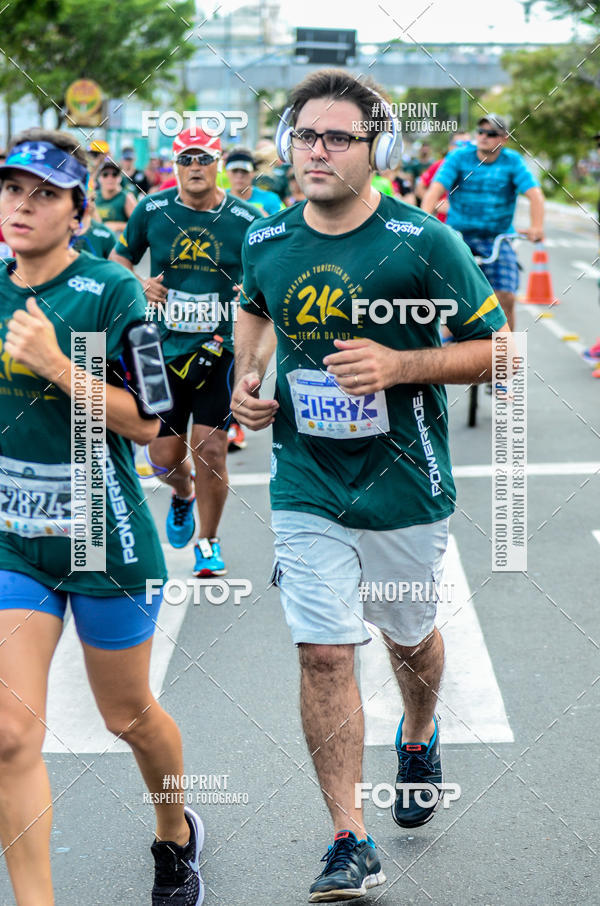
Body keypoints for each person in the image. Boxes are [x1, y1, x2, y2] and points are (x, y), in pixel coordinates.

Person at [231, 68, 510, 902]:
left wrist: (400, 365)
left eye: (336, 137)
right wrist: (249, 379)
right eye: (304, 135)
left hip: (403, 484)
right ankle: (349, 838)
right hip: (305, 479)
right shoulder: (267, 238)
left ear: (375, 149)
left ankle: (418, 733)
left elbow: (498, 351)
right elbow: (256, 311)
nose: (315, 151)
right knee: (323, 652)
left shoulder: (423, 242)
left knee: (408, 636)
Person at [0, 128, 204, 905]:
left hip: (103, 537)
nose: (23, 205)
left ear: (79, 213)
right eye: (12, 188)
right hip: (14, 543)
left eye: (45, 193)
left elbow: (151, 421)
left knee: (129, 716)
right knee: (9, 733)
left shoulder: (113, 293)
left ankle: (175, 833)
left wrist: (57, 364)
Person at [110, 127, 260, 576]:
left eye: (204, 159)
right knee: (162, 457)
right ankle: (183, 493)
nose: (195, 167)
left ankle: (208, 541)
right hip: (159, 350)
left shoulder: (246, 218)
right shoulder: (152, 210)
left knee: (210, 450)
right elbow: (119, 260)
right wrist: (140, 283)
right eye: (186, 159)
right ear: (175, 166)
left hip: (220, 347)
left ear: (218, 164)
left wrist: (249, 289)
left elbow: (265, 273)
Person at [422, 113, 545, 331]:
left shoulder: (512, 161)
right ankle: (448, 341)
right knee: (449, 295)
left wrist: (537, 227)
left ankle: (506, 350)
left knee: (505, 296)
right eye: (480, 131)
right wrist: (424, 223)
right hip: (459, 236)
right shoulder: (459, 157)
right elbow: (434, 191)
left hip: (497, 237)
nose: (484, 137)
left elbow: (535, 195)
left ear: (504, 138)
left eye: (491, 133)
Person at [415, 131, 471, 221]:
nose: (464, 148)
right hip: (444, 223)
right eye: (460, 144)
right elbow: (419, 188)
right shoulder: (441, 165)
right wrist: (436, 204)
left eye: (468, 144)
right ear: (450, 147)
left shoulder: (477, 168)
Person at [225, 148, 284, 215]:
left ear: (253, 173)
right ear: (227, 172)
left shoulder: (270, 199)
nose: (239, 175)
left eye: (245, 171)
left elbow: (285, 220)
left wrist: (265, 219)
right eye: (234, 171)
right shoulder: (219, 199)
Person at [94, 157, 136, 233]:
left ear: (120, 178)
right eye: (105, 174)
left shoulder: (126, 197)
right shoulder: (94, 197)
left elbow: (138, 224)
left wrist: (117, 226)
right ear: (99, 178)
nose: (110, 178)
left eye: (114, 174)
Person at [72, 190, 117, 258]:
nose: (87, 203)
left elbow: (116, 263)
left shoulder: (106, 235)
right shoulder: (59, 232)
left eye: (92, 199)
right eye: (81, 199)